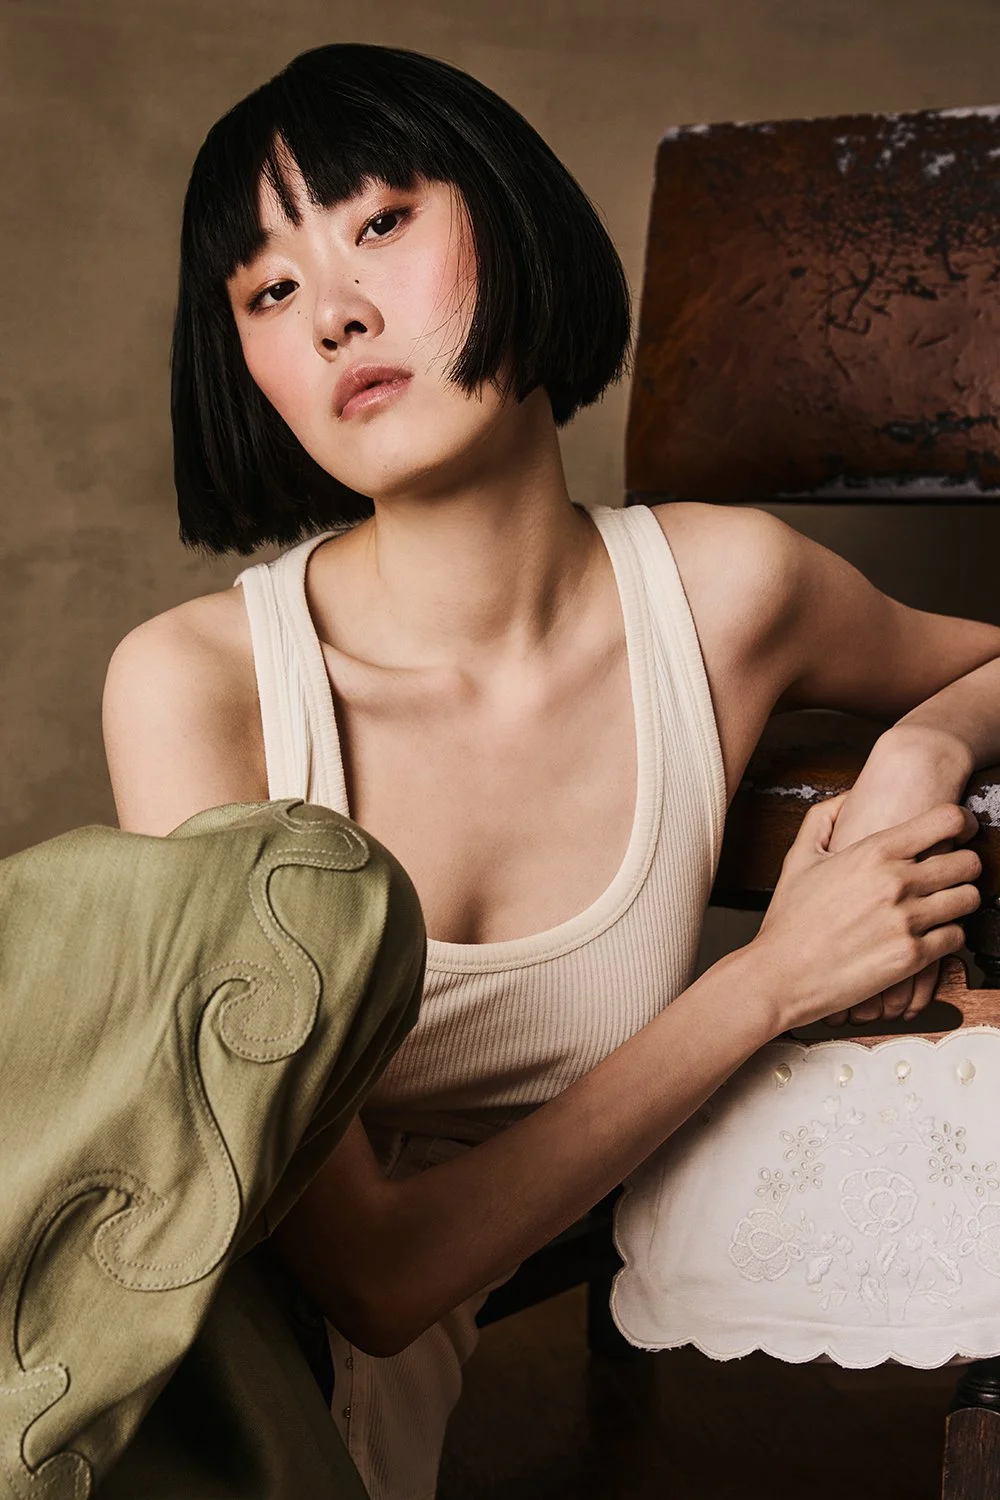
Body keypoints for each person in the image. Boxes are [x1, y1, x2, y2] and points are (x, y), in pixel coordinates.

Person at [102, 42, 1000, 1500]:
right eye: (270, 290)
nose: (334, 312)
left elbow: (981, 662)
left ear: (511, 218)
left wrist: (923, 746)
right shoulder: (197, 688)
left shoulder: (726, 593)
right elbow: (375, 1277)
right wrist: (768, 980)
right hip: (160, 1382)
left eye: (380, 222)